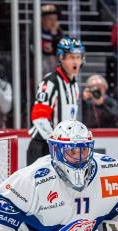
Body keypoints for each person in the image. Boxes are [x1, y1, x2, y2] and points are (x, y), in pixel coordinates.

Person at [27, 36, 83, 166]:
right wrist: (54, 141)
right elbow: (38, 116)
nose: (75, 61)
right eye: (71, 57)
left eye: (78, 57)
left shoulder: (74, 85)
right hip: (43, 147)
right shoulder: (50, 82)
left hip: (63, 147)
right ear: (61, 58)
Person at [41, 3, 64, 75]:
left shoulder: (59, 33)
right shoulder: (35, 32)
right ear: (42, 20)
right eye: (50, 19)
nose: (53, 22)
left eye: (55, 19)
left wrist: (55, 36)